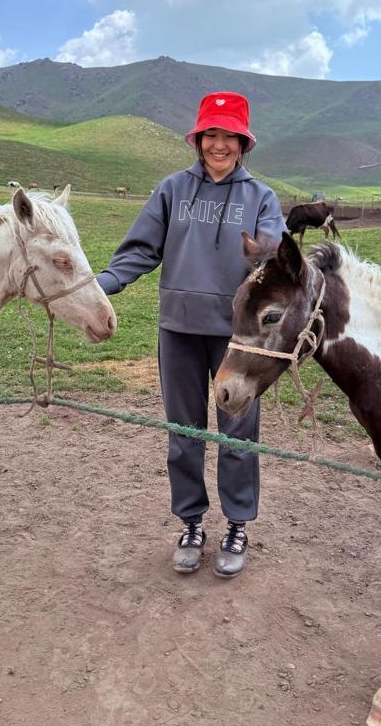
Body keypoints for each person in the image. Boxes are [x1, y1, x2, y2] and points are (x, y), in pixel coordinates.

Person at [96, 92, 285, 578]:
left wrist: (267, 257)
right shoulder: (173, 189)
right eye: (210, 135)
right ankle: (192, 524)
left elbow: (273, 260)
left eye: (229, 137)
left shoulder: (260, 198)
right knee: (184, 433)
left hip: (236, 340)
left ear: (244, 144)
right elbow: (141, 249)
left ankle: (237, 525)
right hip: (178, 329)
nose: (219, 145)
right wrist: (103, 284)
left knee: (237, 435)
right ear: (198, 140)